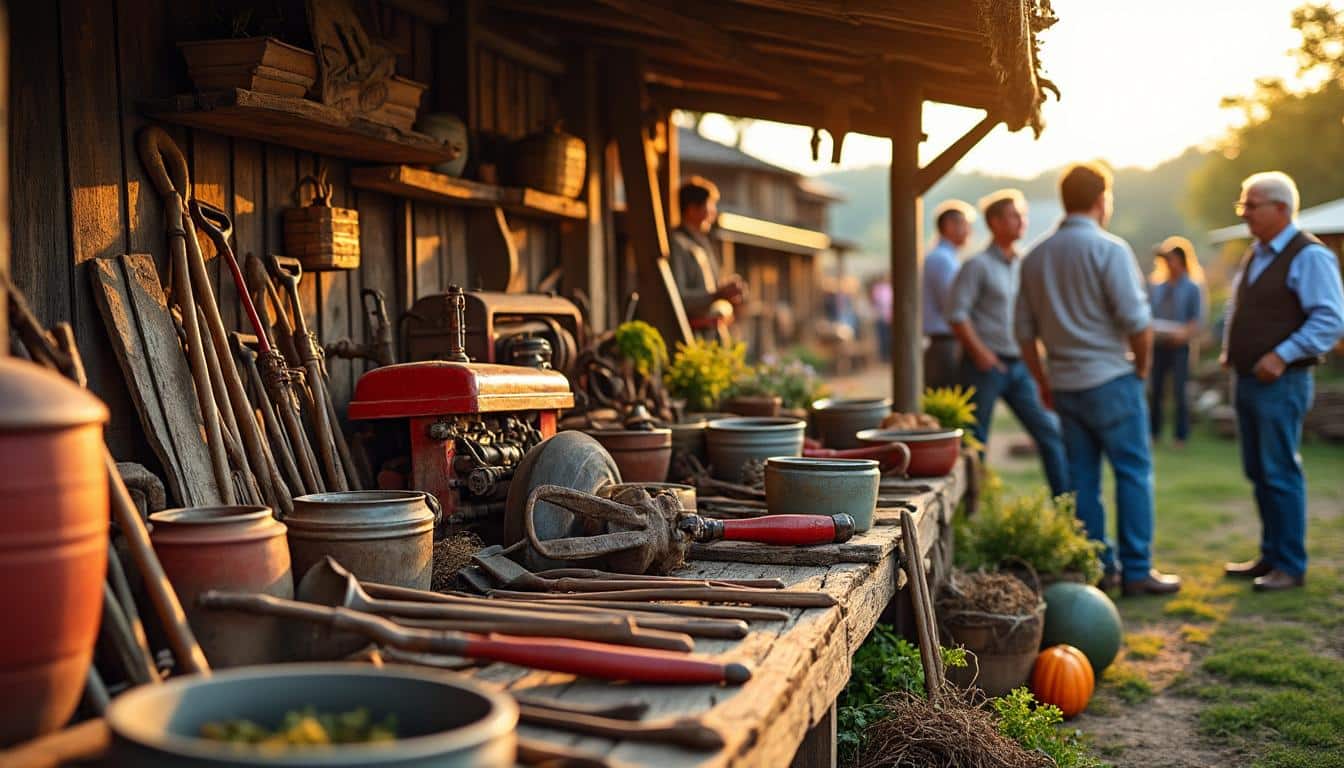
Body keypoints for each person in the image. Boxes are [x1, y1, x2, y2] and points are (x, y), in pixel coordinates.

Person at [1015, 162, 1181, 597]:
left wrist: (1043, 381)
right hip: (1112, 379)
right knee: (1133, 473)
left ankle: (1099, 569)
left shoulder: (1034, 256)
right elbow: (1138, 322)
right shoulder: (1109, 249)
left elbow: (1023, 333)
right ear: (1101, 199)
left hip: (1066, 385)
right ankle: (1139, 570)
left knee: (1082, 480)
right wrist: (1141, 370)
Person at [1221, 171, 1344, 592]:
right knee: (1259, 470)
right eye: (1243, 205)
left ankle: (1290, 565)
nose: (1244, 213)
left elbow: (1331, 319)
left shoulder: (1310, 255)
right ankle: (1270, 556)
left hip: (1283, 382)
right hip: (1248, 380)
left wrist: (1280, 355)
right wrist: (1228, 349)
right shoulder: (1256, 253)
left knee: (1279, 472)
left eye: (1251, 205)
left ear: (1281, 209)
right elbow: (1239, 309)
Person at [947, 190, 1070, 497]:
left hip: (1020, 366)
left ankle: (1067, 508)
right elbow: (956, 314)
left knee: (1050, 433)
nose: (1022, 222)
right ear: (995, 222)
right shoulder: (977, 266)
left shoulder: (1024, 264)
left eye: (1023, 215)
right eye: (1016, 215)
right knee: (976, 443)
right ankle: (971, 514)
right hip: (984, 367)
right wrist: (982, 354)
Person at [668, 177, 747, 339]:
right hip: (690, 335)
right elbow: (678, 298)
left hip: (711, 333)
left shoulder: (702, 243)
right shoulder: (677, 244)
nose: (713, 212)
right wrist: (716, 295)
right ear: (692, 209)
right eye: (709, 205)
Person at [1147, 236, 1205, 447]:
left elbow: (1196, 319)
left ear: (1181, 261)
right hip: (1158, 345)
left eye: (1170, 259)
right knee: (1156, 391)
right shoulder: (1156, 286)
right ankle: (1154, 433)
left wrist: (1181, 334)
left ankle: (1180, 436)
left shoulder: (1192, 287)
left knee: (1180, 392)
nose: (1167, 264)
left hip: (1180, 347)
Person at [923, 200, 974, 388]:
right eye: (966, 225)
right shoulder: (942, 259)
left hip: (945, 342)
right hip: (944, 343)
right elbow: (954, 304)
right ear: (950, 226)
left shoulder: (944, 257)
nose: (969, 231)